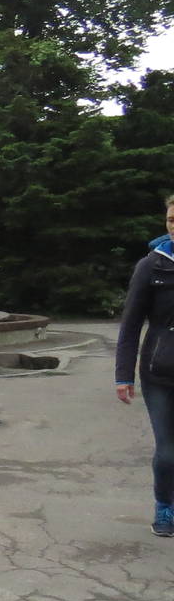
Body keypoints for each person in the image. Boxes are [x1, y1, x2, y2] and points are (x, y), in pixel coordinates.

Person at [115, 194, 174, 536]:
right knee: (168, 452)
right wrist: (123, 376)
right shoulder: (152, 265)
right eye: (170, 221)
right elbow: (131, 323)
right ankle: (164, 506)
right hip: (160, 371)